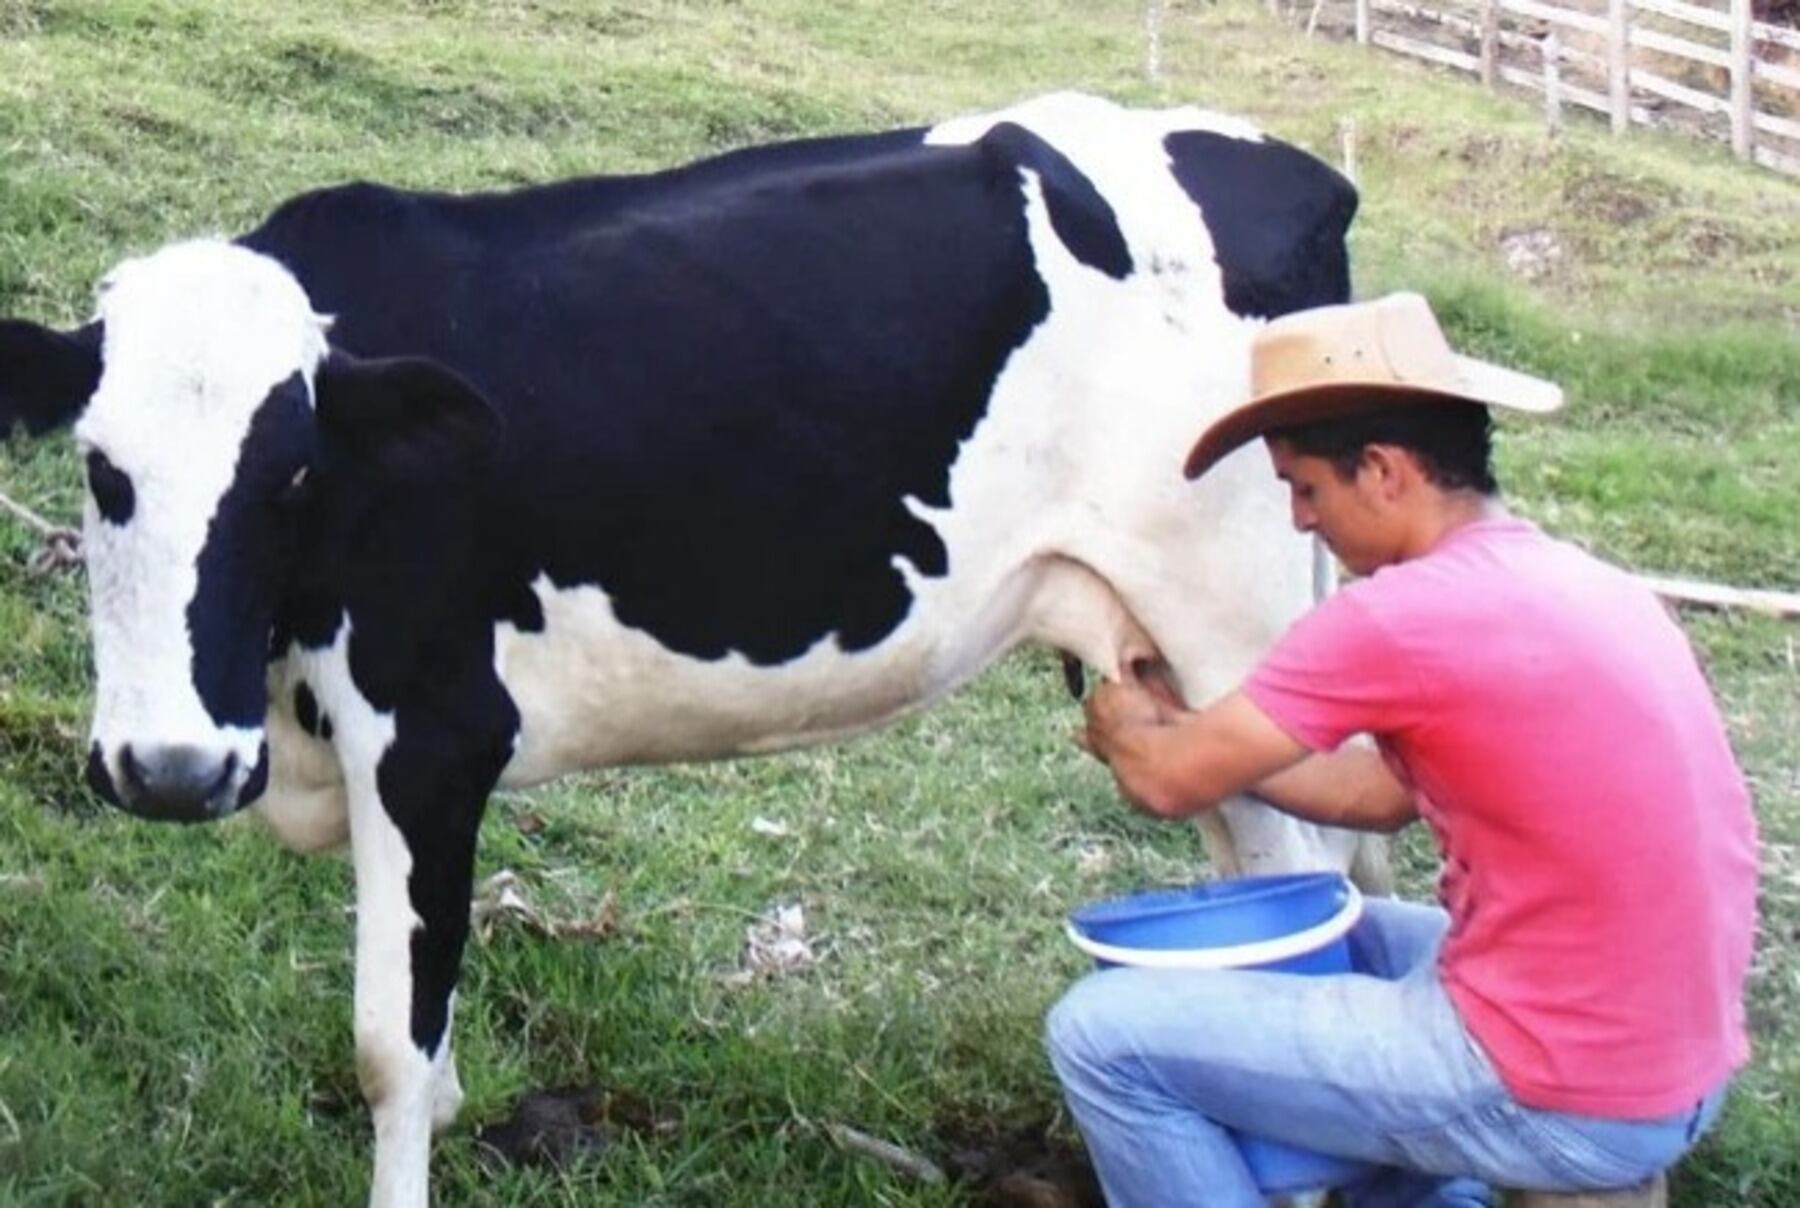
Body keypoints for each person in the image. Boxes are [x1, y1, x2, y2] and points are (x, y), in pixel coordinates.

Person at [1046, 292, 1759, 1207]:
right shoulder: (1582, 583)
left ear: (1382, 471)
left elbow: (1164, 785)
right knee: (1352, 934)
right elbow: (1377, 796)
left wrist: (1128, 727)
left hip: (1558, 1090)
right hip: (1668, 1065)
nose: (1300, 521)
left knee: (1101, 1038)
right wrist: (1196, 728)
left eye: (1306, 488)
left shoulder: (1397, 617)